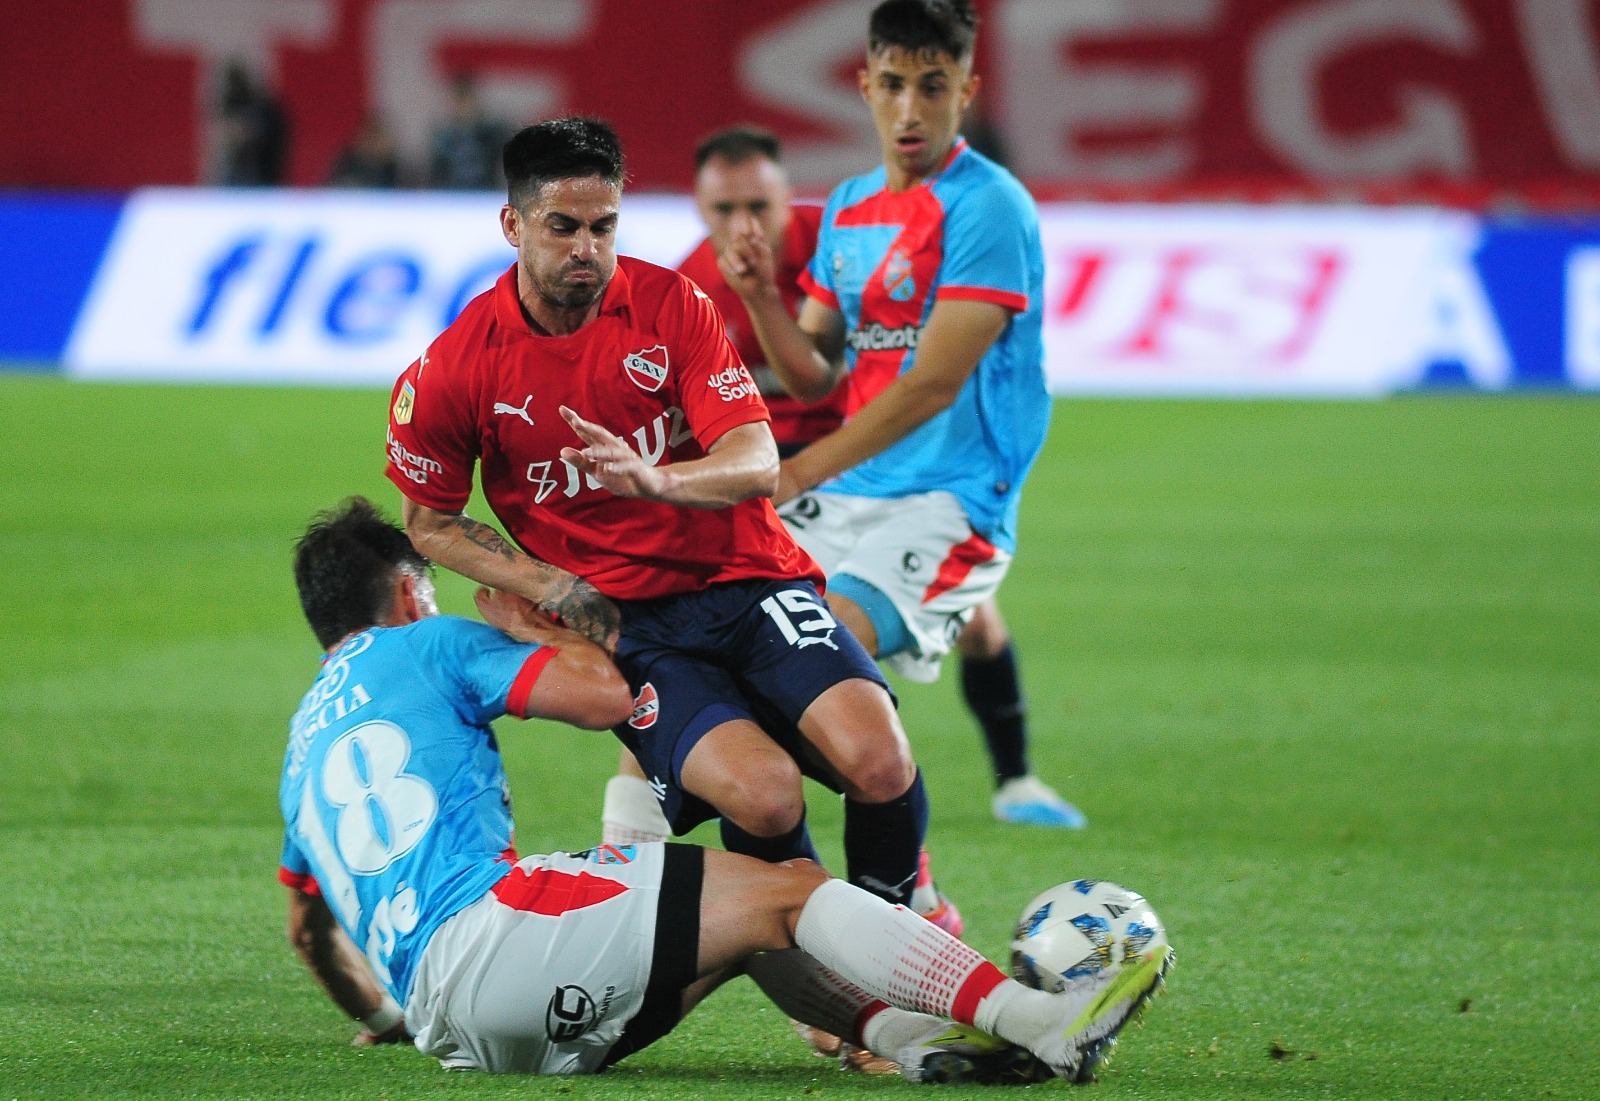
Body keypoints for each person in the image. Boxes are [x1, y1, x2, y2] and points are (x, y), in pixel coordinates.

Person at [278, 497, 1170, 1080]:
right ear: (409, 592)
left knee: (737, 919)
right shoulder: (423, 643)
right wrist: (525, 615)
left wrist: (389, 1015)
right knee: (794, 890)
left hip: (460, 1030)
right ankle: (1041, 1021)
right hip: (502, 936)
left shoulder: (300, 751)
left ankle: (914, 1041)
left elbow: (309, 934)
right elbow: (607, 698)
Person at [384, 117, 939, 923]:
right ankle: (842, 986)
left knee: (880, 761)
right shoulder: (456, 367)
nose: (587, 247)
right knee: (767, 795)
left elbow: (755, 462)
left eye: (603, 226)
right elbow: (429, 522)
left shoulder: (673, 305)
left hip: (748, 577)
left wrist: (656, 478)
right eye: (562, 227)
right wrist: (548, 584)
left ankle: (902, 942)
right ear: (513, 226)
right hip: (629, 623)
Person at [601, 126, 1083, 857]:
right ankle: (637, 850)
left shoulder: (842, 245)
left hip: (865, 459)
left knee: (977, 620)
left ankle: (1013, 780)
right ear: (698, 206)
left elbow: (859, 368)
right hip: (770, 478)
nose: (743, 224)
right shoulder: (689, 287)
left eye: (757, 203)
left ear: (783, 190)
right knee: (781, 645)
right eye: (724, 208)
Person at [712, 1, 1079, 827]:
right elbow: (812, 375)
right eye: (894, 85)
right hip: (853, 488)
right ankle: (646, 852)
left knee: (818, 647)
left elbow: (932, 385)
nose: (911, 109)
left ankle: (895, 886)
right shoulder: (848, 206)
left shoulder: (989, 208)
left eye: (933, 86)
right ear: (865, 85)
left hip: (953, 498)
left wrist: (797, 469)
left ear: (968, 90)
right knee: (708, 633)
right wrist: (760, 295)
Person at [427, 74, 512, 190]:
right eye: (459, 102)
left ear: (474, 102)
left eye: (466, 101)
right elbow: (436, 172)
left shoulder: (491, 133)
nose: (463, 108)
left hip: (485, 192)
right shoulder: (443, 138)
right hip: (452, 194)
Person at [327, 113, 401, 189]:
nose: (371, 141)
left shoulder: (389, 166)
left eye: (374, 136)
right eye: (367, 135)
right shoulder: (346, 160)